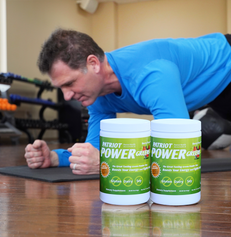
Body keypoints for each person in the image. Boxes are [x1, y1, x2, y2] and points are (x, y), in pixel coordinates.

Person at [24, 29, 231, 175]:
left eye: (70, 84)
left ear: (93, 64)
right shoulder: (96, 95)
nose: (67, 96)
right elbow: (97, 149)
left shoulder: (152, 73)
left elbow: (177, 149)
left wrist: (109, 164)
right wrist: (53, 158)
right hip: (214, 89)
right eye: (62, 88)